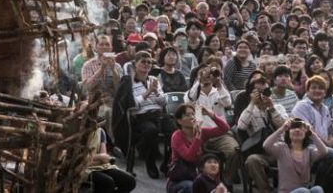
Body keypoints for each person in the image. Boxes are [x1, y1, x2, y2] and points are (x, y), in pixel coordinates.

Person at [112, 51, 171, 179]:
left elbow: (163, 102)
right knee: (151, 130)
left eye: (149, 62)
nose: (146, 64)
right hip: (141, 116)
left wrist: (155, 92)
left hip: (158, 114)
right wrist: (147, 93)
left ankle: (166, 164)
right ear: (135, 64)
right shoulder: (128, 82)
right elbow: (131, 105)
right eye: (143, 61)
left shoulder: (154, 80)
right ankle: (150, 163)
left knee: (175, 131)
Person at [186, 66, 240, 185]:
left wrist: (219, 84)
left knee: (234, 151)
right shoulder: (192, 92)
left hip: (220, 133)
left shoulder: (218, 93)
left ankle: (227, 180)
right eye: (203, 74)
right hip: (199, 134)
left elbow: (228, 103)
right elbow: (190, 100)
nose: (207, 76)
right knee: (195, 155)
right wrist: (199, 81)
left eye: (209, 74)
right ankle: (201, 182)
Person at [238, 76, 289, 193]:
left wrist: (271, 108)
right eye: (259, 92)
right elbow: (241, 126)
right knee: (251, 160)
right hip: (262, 152)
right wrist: (252, 103)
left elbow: (284, 126)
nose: (263, 95)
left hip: (281, 150)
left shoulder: (278, 107)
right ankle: (265, 190)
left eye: (265, 91)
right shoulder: (250, 110)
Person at [167, 103, 230, 193]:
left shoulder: (201, 132)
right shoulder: (177, 136)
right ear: (179, 121)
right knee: (191, 187)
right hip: (180, 178)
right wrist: (197, 138)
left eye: (193, 114)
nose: (191, 117)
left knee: (221, 188)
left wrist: (210, 114)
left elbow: (225, 129)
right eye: (187, 115)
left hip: (197, 174)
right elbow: (189, 157)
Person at [262, 118, 327, 193]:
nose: (297, 130)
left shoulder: (309, 151)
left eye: (300, 128)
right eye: (293, 128)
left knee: (317, 189)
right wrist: (282, 129)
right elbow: (266, 145)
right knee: (303, 191)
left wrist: (311, 133)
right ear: (288, 133)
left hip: (305, 191)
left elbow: (324, 152)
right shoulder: (281, 149)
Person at [80, 126, 136, 193]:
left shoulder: (100, 131)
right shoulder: (78, 131)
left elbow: (104, 158)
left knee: (130, 181)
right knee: (107, 182)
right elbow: (79, 161)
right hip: (83, 170)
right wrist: (98, 157)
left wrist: (92, 159)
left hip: (101, 166)